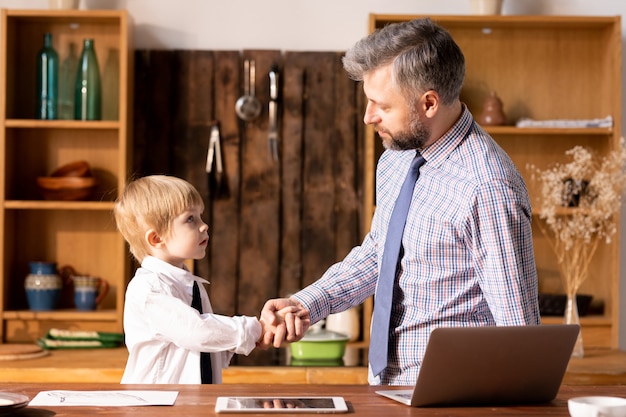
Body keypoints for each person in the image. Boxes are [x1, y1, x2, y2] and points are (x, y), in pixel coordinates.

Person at [260, 17, 541, 385]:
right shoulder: (397, 156)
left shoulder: (487, 187)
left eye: (382, 106)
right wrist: (308, 303)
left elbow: (521, 336)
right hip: (389, 387)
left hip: (452, 395)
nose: (367, 117)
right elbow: (380, 253)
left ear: (428, 103)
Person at [114, 175, 284, 384]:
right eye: (190, 219)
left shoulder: (190, 285)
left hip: (188, 402)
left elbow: (204, 348)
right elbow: (197, 332)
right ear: (157, 238)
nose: (204, 226)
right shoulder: (149, 289)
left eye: (200, 217)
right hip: (155, 405)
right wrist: (254, 330)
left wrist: (250, 338)